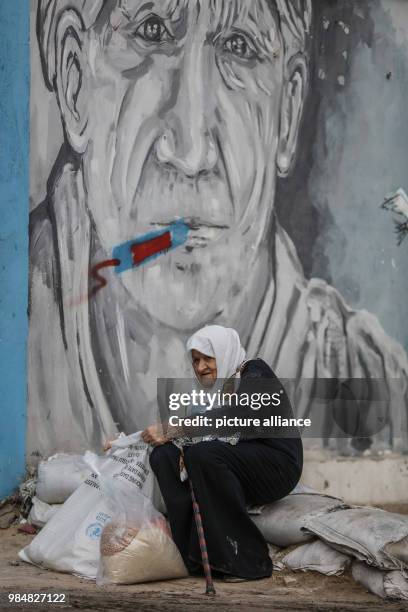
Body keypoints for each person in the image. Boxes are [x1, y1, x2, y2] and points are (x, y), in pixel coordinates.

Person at [28, 0, 408, 461]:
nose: (190, 150)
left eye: (238, 46)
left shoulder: (374, 389)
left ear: (286, 114)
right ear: (74, 82)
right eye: (151, 31)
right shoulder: (19, 327)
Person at [143, 325, 302, 580]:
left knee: (203, 455)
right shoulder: (217, 389)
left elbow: (243, 415)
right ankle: (192, 558)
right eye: (196, 360)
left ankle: (246, 561)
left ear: (224, 352)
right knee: (164, 456)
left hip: (276, 465)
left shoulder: (255, 372)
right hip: (235, 461)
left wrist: (178, 429)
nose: (201, 366)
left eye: (208, 357)